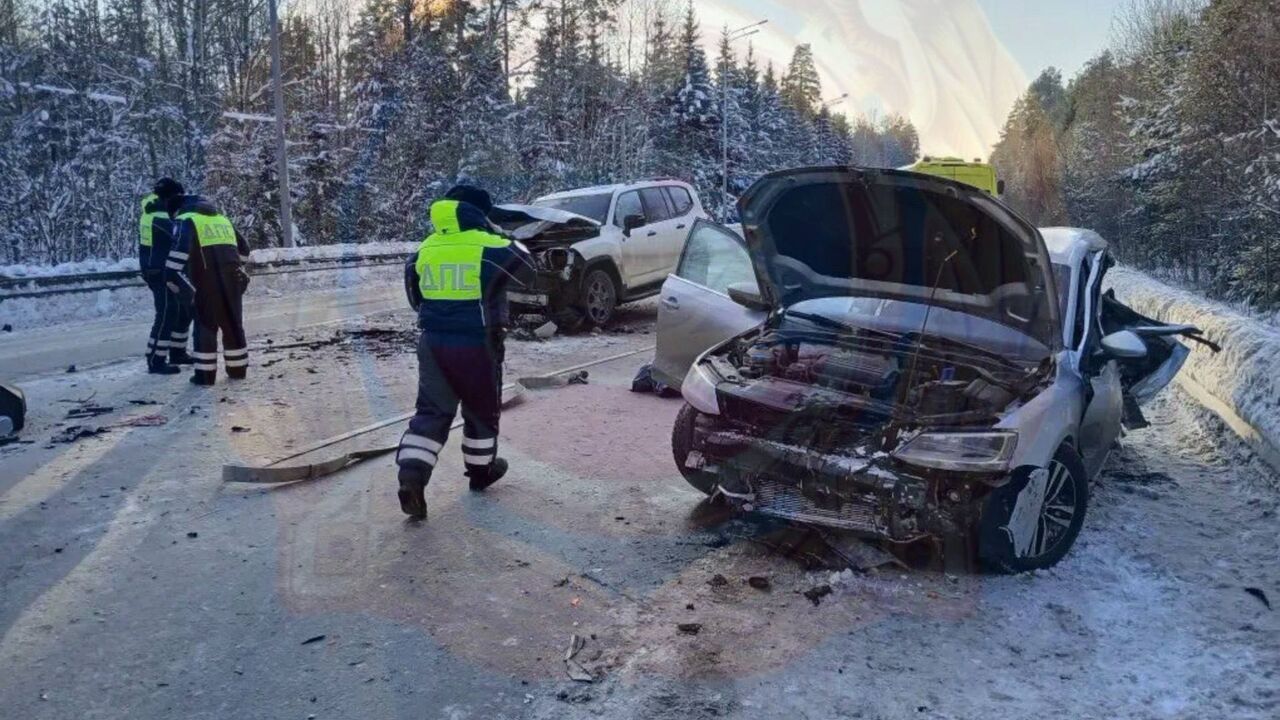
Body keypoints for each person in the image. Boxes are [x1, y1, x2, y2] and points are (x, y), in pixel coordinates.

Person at [396, 184, 536, 520]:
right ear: (480, 213)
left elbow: (415, 297)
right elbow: (528, 270)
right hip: (478, 343)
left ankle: (411, 477)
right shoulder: (489, 245)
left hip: (432, 342)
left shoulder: (426, 248)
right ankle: (480, 472)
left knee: (431, 412)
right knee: (481, 410)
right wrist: (500, 234)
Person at [163, 194, 251, 386]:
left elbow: (177, 257)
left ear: (177, 210)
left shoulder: (186, 220)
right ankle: (238, 369)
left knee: (206, 327)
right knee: (233, 325)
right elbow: (244, 249)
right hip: (233, 278)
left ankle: (205, 375)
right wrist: (235, 267)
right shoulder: (222, 219)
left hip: (205, 279)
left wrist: (176, 276)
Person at [138, 178, 189, 374]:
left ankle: (175, 352)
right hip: (160, 270)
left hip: (155, 267)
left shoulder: (151, 211)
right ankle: (156, 360)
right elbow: (179, 238)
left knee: (179, 309)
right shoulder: (161, 216)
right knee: (167, 313)